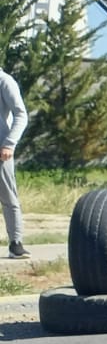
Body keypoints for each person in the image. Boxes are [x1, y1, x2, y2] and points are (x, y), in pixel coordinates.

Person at [0, 67, 29, 258]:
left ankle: (16, 244)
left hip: (1, 151)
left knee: (9, 198)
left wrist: (9, 144)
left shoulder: (4, 81)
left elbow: (21, 114)